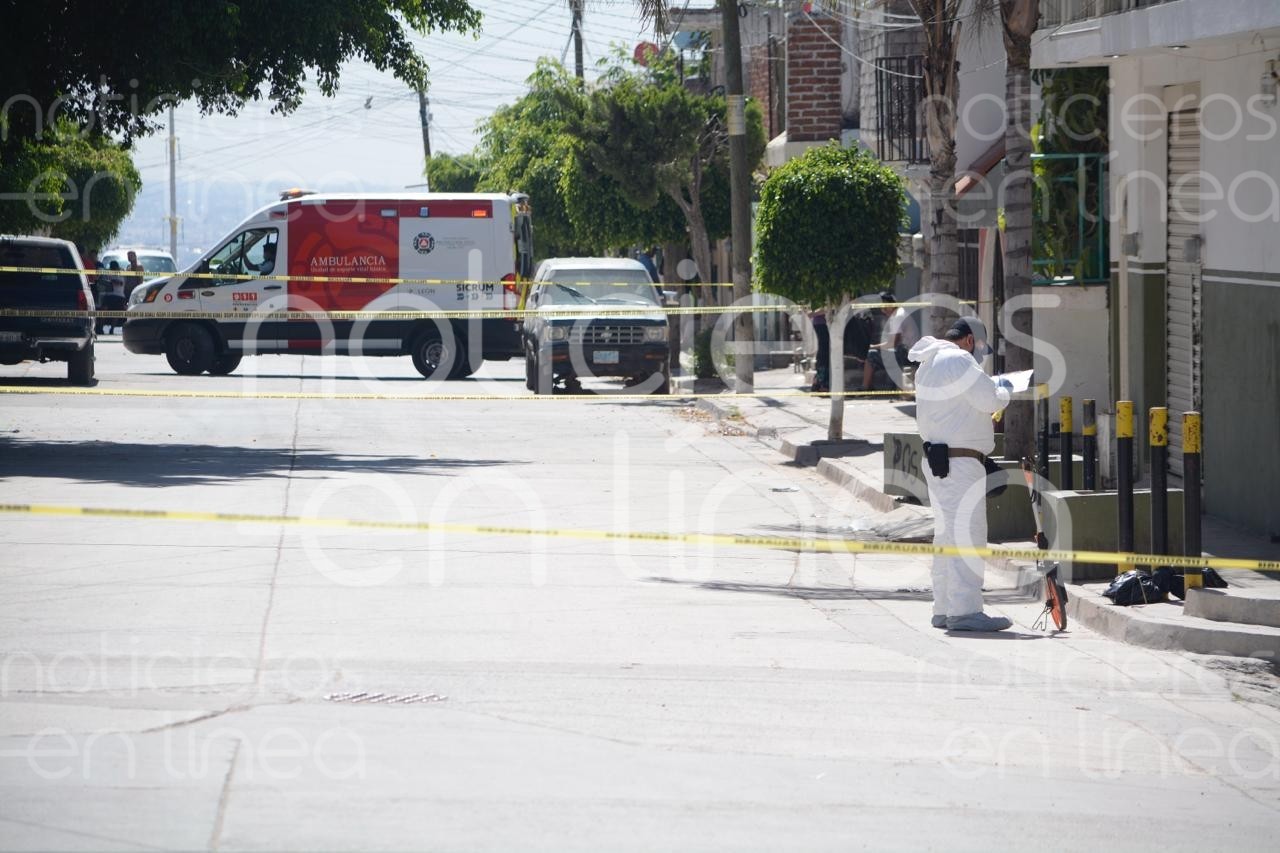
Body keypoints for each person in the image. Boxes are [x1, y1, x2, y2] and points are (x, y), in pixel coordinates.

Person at [908, 317, 1013, 632]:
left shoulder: (931, 363)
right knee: (968, 535)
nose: (980, 354)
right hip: (961, 463)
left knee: (947, 537)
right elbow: (990, 399)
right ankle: (965, 611)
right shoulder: (959, 359)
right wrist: (1005, 388)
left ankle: (944, 608)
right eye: (979, 347)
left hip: (942, 461)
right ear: (970, 340)